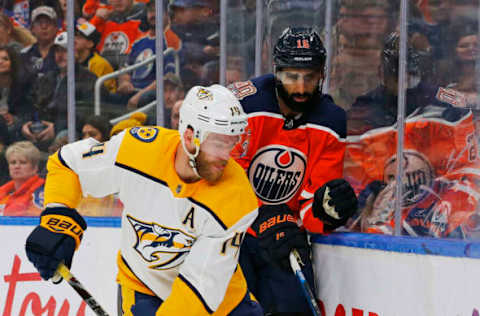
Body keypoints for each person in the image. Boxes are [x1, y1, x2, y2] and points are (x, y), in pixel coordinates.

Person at [25, 84, 264, 315]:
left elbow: (200, 289)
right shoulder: (137, 151)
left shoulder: (236, 196)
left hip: (220, 305)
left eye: (232, 144)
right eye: (219, 144)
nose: (227, 156)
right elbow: (68, 164)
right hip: (143, 291)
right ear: (190, 136)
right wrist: (58, 217)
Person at [228, 27, 358, 315]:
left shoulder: (331, 121)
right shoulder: (245, 105)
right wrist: (263, 217)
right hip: (230, 233)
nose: (300, 88)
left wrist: (327, 211)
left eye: (309, 77)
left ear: (322, 75)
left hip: (283, 238)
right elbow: (223, 180)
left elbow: (311, 204)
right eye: (292, 77)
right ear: (276, 72)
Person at [0, 141, 44, 216]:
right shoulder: (4, 192)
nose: (17, 166)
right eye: (13, 162)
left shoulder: (41, 193)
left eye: (23, 162)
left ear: (35, 167)